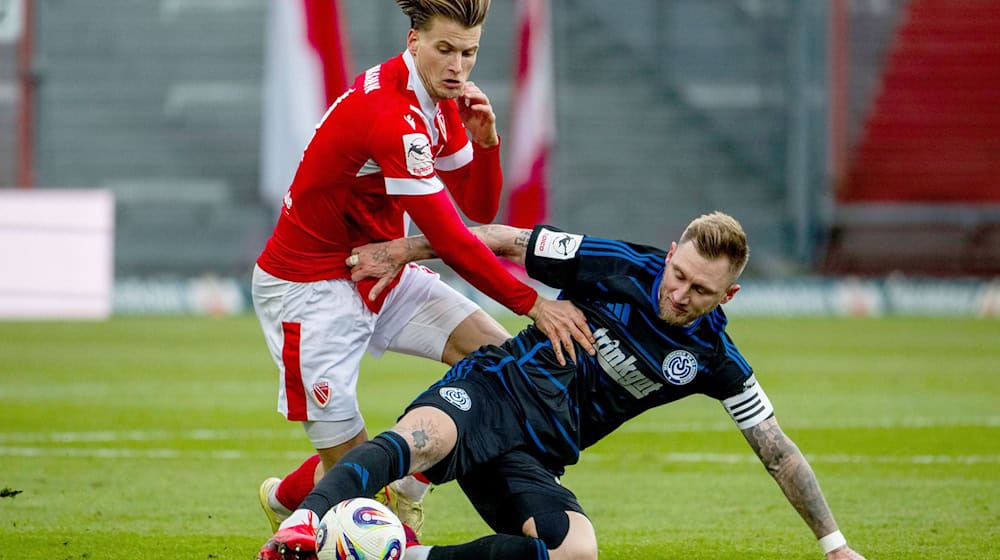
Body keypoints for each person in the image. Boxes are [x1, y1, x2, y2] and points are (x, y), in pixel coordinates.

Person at [258, 213, 868, 560]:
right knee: (425, 436)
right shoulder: (621, 264)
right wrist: (402, 250)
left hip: (536, 456)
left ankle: (402, 558)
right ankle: (303, 525)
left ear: (726, 297)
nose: (678, 295)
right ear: (674, 250)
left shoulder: (715, 358)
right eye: (679, 274)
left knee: (576, 553)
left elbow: (778, 451)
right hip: (496, 390)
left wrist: (835, 545)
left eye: (700, 291)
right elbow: (503, 240)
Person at [251, 0, 594, 539]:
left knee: (501, 365)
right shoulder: (393, 115)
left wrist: (486, 144)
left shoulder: (441, 100)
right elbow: (453, 240)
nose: (458, 67)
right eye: (445, 50)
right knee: (363, 483)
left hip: (382, 272)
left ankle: (302, 495)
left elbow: (478, 207)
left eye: (469, 53)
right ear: (414, 41)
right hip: (309, 289)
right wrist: (534, 303)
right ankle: (390, 521)